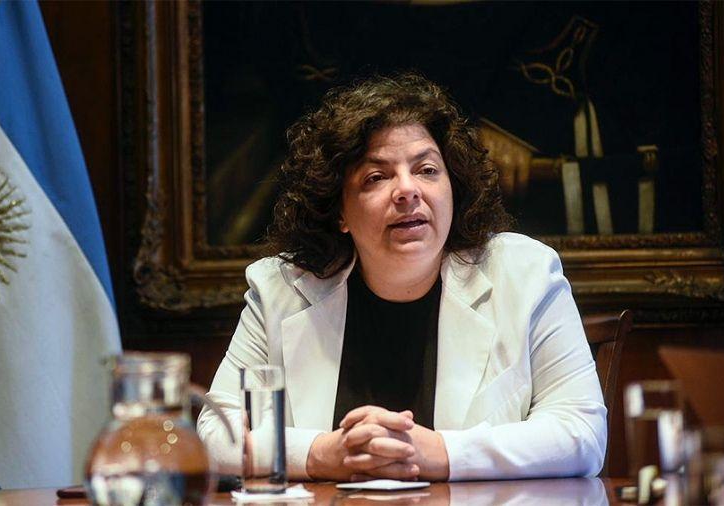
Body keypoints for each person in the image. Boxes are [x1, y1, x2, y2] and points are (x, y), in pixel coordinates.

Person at [198, 73, 606, 482]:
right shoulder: (280, 288)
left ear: (453, 187)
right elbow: (213, 436)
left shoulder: (525, 274)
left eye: (427, 170)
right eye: (376, 177)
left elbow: (583, 432)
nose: (408, 191)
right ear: (339, 211)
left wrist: (441, 452)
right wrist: (322, 453)